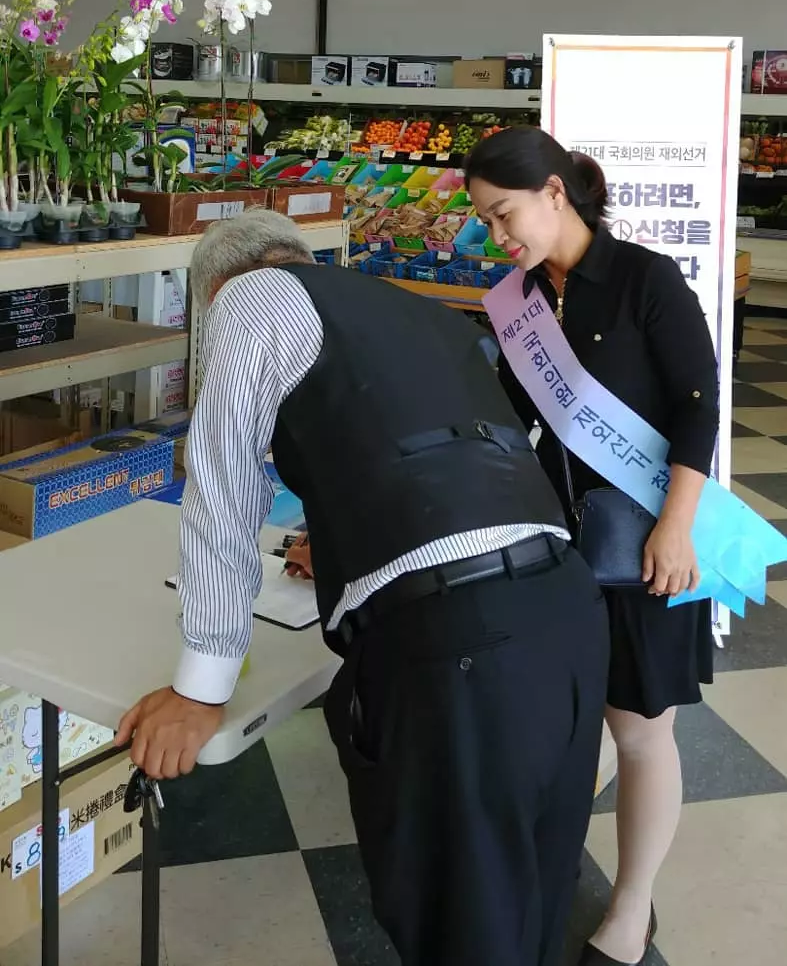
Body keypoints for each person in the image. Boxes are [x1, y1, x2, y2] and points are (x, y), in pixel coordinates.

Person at [116, 208, 609, 966]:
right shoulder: (415, 313)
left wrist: (200, 686)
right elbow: (455, 458)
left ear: (216, 288)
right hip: (565, 613)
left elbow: (221, 489)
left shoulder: (248, 297)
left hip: (458, 649)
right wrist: (353, 531)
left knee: (463, 928)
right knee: (530, 905)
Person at [465, 128, 719, 966]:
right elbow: (506, 417)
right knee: (570, 716)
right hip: (558, 540)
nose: (500, 239)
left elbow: (697, 406)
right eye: (488, 224)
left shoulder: (645, 277)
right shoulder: (522, 300)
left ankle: (633, 902)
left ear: (552, 191)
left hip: (647, 540)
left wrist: (676, 525)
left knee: (642, 727)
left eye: (505, 217)